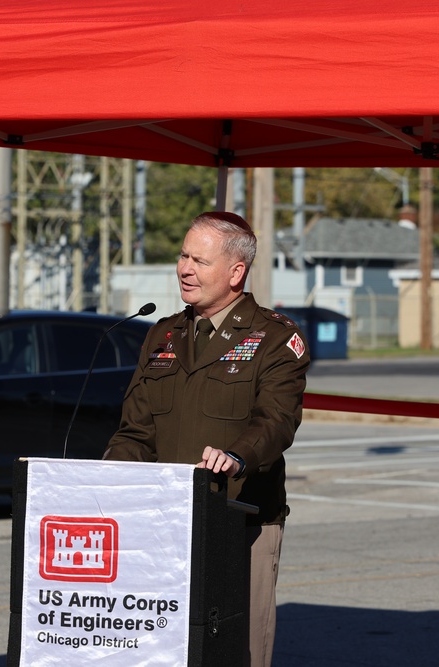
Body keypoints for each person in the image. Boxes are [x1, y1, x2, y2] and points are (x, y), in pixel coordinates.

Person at [104, 211, 310, 667]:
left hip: (242, 521)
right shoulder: (162, 335)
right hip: (163, 525)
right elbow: (136, 431)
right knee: (165, 651)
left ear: (236, 272)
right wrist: (108, 481)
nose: (184, 268)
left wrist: (237, 455)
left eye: (199, 259)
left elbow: (276, 421)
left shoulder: (276, 338)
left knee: (239, 653)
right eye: (182, 255)